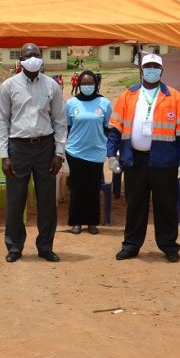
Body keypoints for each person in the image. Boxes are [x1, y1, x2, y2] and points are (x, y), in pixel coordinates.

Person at [107, 54, 180, 263]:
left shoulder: (174, 96)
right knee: (135, 203)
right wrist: (111, 154)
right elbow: (115, 128)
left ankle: (169, 246)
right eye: (148, 67)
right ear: (142, 70)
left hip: (165, 161)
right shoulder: (128, 95)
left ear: (162, 71)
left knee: (166, 205)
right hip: (135, 160)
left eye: (156, 67)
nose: (152, 70)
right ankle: (131, 245)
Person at [0, 43, 67, 263]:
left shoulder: (52, 86)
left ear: (41, 58)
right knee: (16, 200)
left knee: (47, 201)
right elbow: (1, 122)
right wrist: (4, 156)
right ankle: (14, 246)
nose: (32, 58)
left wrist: (59, 153)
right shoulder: (8, 86)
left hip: (45, 147)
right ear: (21, 60)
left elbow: (60, 121)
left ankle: (45, 246)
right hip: (18, 148)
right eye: (28, 56)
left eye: (36, 55)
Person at [64, 71, 112, 235]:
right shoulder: (71, 103)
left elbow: (108, 128)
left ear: (96, 84)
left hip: (96, 152)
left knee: (93, 188)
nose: (87, 86)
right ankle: (76, 222)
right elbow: (68, 127)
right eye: (84, 83)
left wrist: (105, 145)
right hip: (75, 151)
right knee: (77, 187)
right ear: (78, 85)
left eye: (90, 83)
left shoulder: (104, 103)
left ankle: (92, 222)